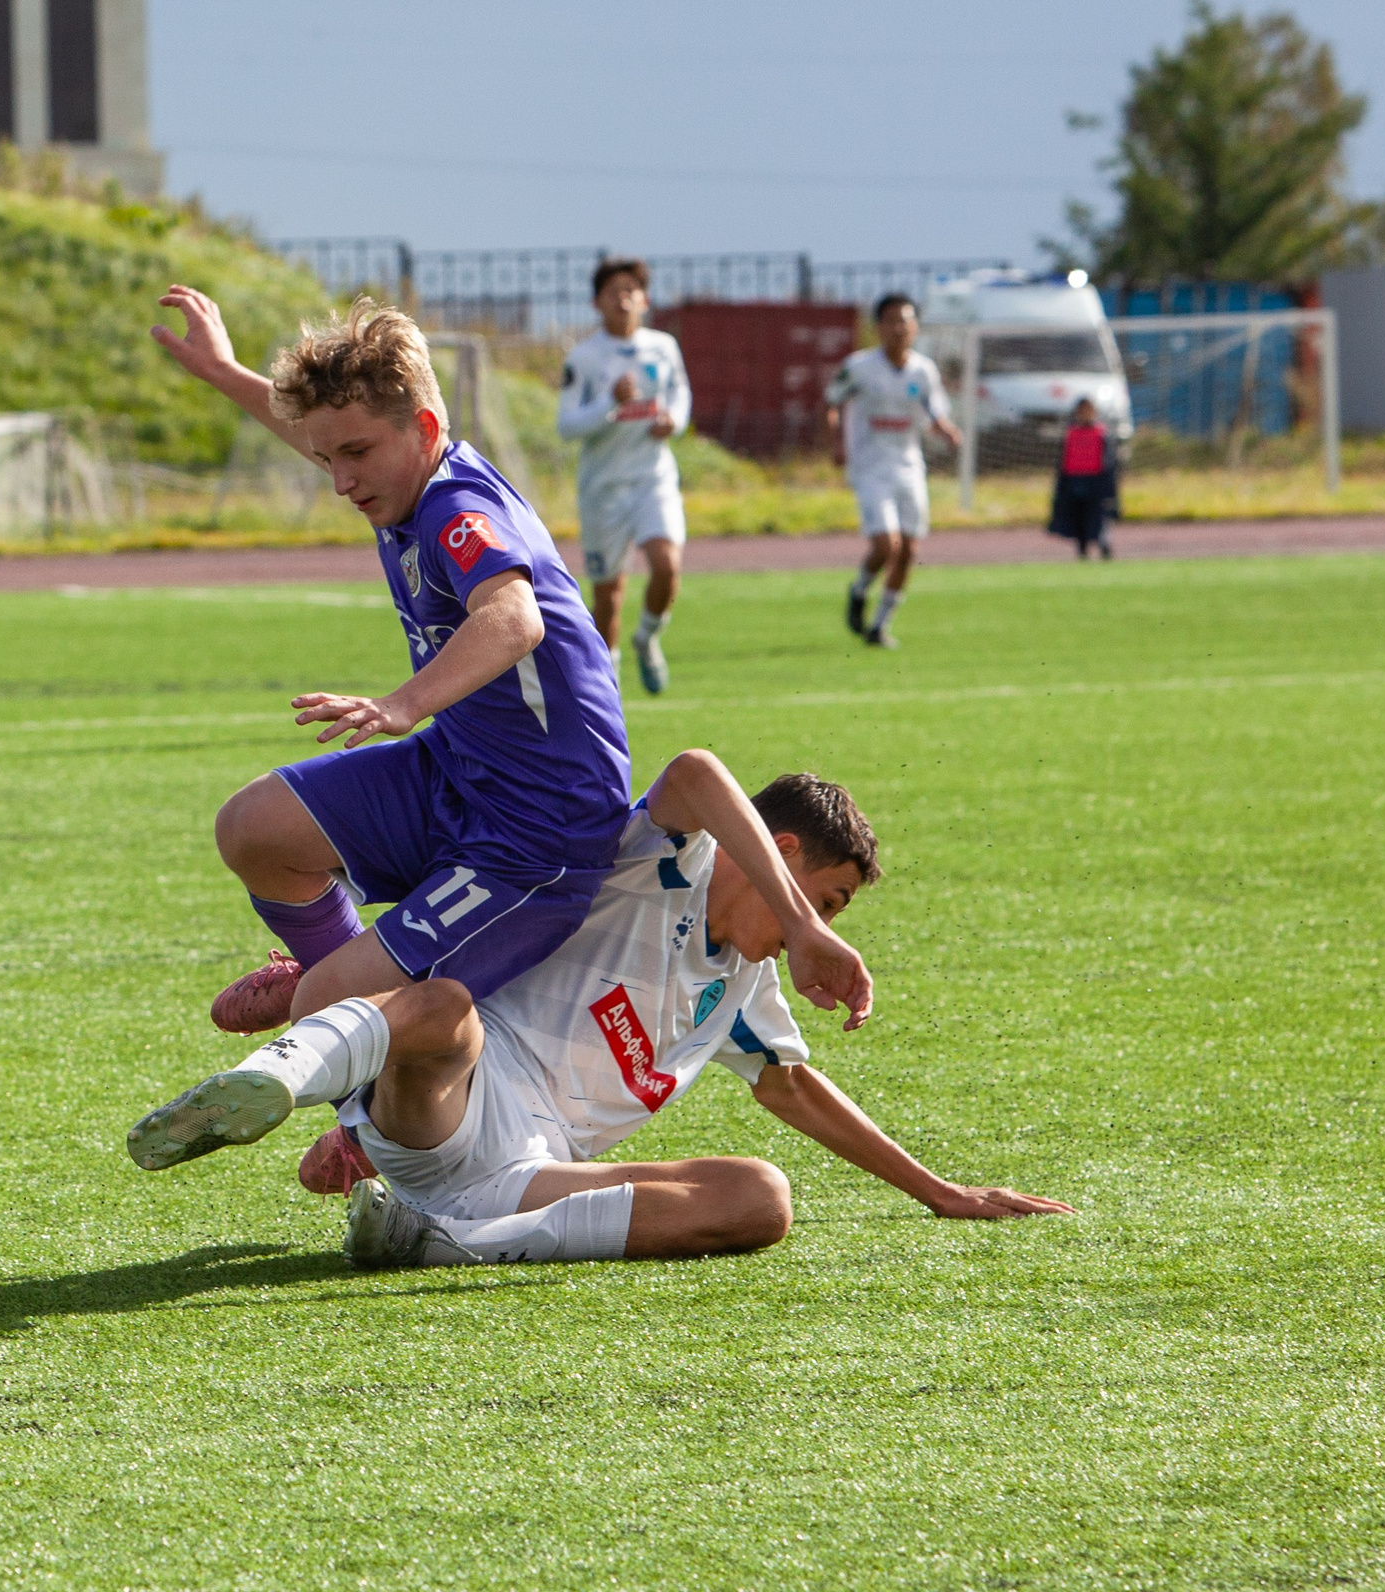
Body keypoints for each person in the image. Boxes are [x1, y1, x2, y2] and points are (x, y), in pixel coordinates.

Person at [128, 751, 1063, 1268]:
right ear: (777, 855)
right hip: (451, 1101)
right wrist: (798, 918)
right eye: (823, 902)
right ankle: (279, 1072)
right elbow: (695, 768)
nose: (808, 930)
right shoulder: (661, 857)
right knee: (444, 1006)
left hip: (522, 1183)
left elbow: (797, 1092)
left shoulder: (746, 985)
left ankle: (441, 1242)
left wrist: (942, 1192)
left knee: (762, 1197)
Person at [148, 288, 634, 1039]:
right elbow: (320, 429)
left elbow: (513, 619)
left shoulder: (455, 508)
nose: (340, 481)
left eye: (355, 455)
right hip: (462, 769)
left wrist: (401, 704)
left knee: (324, 1011)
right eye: (325, 457)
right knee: (253, 828)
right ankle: (341, 987)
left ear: (426, 428)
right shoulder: (399, 476)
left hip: (541, 827)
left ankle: (365, 1119)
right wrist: (224, 372)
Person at [556, 256, 691, 695]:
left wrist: (675, 421)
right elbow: (567, 425)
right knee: (608, 596)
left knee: (667, 566)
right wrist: (610, 405)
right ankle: (607, 690)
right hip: (603, 488)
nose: (624, 297)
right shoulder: (585, 357)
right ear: (597, 302)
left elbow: (680, 395)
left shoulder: (664, 347)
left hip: (654, 478)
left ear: (645, 299)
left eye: (631, 289)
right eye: (614, 290)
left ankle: (648, 637)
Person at [825, 293, 959, 650]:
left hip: (909, 464)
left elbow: (935, 410)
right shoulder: (859, 367)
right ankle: (859, 590)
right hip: (869, 465)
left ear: (916, 327)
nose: (900, 329)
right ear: (878, 327)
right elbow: (833, 400)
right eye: (892, 321)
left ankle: (880, 624)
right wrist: (836, 439)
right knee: (887, 544)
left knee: (909, 549)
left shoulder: (923, 370)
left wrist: (946, 430)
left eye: (906, 321)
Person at [1045, 396, 1118, 560]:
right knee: (1078, 516)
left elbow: (1109, 462)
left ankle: (1104, 546)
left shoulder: (1101, 433)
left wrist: (1108, 485)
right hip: (1075, 481)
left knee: (1099, 517)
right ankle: (1082, 549)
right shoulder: (1071, 433)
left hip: (1096, 482)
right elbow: (1063, 460)